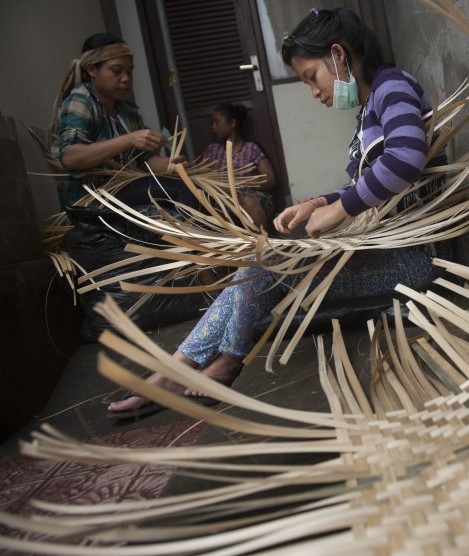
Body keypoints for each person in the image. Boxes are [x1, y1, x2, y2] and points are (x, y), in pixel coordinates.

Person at [107, 7, 445, 419]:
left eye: (311, 78)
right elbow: (371, 180)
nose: (315, 92)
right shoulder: (370, 107)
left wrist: (341, 208)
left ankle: (218, 362)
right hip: (388, 252)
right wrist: (320, 201)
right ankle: (181, 368)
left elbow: (407, 158)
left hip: (412, 261)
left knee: (266, 260)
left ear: (338, 55)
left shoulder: (392, 85)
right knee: (261, 258)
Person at [49, 33, 195, 211]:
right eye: (117, 71)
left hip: (125, 189)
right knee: (179, 191)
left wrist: (169, 165)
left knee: (193, 185)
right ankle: (198, 238)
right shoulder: (80, 102)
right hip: (94, 199)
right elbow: (71, 157)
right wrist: (129, 139)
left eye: (129, 71)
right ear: (92, 70)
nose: (126, 78)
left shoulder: (126, 111)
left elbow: (143, 161)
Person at [201, 103, 278, 232]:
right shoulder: (212, 150)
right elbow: (200, 177)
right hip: (221, 198)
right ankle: (234, 250)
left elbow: (270, 179)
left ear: (232, 123)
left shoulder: (251, 148)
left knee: (249, 202)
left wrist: (242, 183)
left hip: (249, 195)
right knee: (217, 207)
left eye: (217, 122)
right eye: (212, 123)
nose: (213, 127)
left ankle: (262, 246)